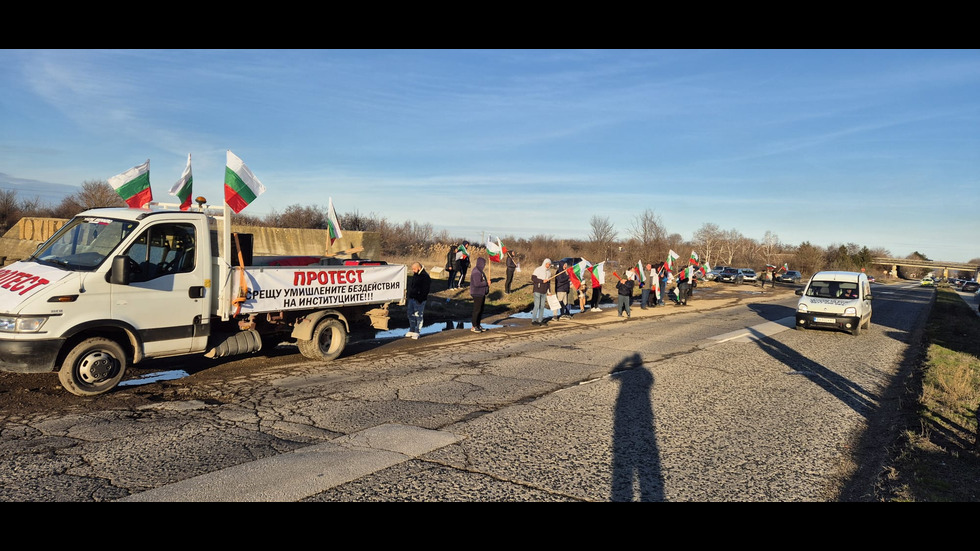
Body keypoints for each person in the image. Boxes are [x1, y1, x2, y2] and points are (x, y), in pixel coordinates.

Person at [405, 262, 430, 340]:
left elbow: (425, 290)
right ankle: (412, 329)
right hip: (412, 297)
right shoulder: (415, 275)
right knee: (410, 313)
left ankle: (417, 331)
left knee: (418, 315)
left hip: (419, 299)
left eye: (414, 269)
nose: (413, 270)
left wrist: (421, 299)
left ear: (418, 268)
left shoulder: (425, 276)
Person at [469, 256, 490, 332]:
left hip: (481, 293)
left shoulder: (480, 271)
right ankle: (474, 326)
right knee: (477, 310)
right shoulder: (476, 272)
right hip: (476, 293)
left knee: (480, 310)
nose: (484, 265)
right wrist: (486, 283)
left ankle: (478, 324)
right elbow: (477, 283)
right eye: (484, 263)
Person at [531, 258, 553, 326]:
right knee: (537, 305)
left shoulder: (549, 272)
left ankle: (540, 320)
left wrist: (549, 292)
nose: (548, 265)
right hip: (537, 290)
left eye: (549, 264)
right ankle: (534, 320)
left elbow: (548, 283)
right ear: (544, 263)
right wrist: (542, 281)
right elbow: (533, 278)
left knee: (542, 306)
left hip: (544, 291)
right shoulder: (538, 269)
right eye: (547, 264)